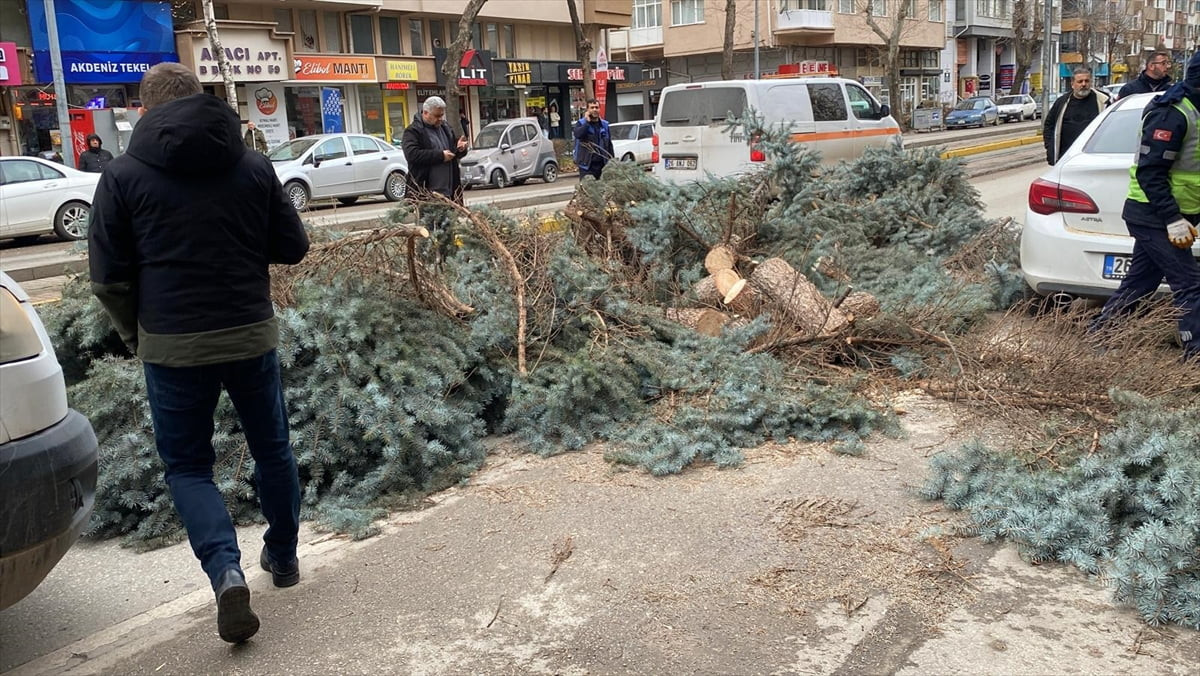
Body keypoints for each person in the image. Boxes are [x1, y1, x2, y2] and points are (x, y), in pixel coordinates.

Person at [88, 62, 310, 644]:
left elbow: (108, 279)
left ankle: (226, 572)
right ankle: (283, 556)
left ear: (145, 110)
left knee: (188, 466)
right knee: (272, 447)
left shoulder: (122, 175)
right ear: (201, 99)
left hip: (171, 345)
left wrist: (136, 337)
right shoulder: (252, 165)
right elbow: (293, 247)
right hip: (249, 332)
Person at [1090, 51, 1200, 361]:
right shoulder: (1172, 113)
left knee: (1140, 281)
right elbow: (1150, 172)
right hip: (1153, 214)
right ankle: (1195, 355)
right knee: (1190, 283)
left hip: (1176, 213)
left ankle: (1100, 334)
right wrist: (1172, 219)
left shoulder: (1195, 110)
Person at [402, 96, 468, 203]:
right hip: (425, 193)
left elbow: (452, 152)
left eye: (442, 115)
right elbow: (412, 154)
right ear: (425, 113)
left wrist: (460, 148)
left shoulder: (446, 128)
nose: (440, 119)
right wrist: (440, 156)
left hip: (450, 193)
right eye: (437, 116)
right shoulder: (413, 131)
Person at [1044, 67, 1111, 165]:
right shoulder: (1061, 103)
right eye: (1080, 81)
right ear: (1072, 84)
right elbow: (1049, 126)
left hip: (1094, 159)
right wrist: (1050, 148)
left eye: (1086, 81)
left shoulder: (1103, 101)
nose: (1084, 84)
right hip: (1066, 159)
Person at [573, 99, 614, 180]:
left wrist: (612, 162)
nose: (595, 110)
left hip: (603, 165)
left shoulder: (605, 125)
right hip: (586, 166)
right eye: (592, 108)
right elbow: (578, 135)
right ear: (587, 110)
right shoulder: (581, 123)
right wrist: (587, 122)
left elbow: (609, 145)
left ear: (599, 109)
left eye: (596, 107)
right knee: (587, 187)